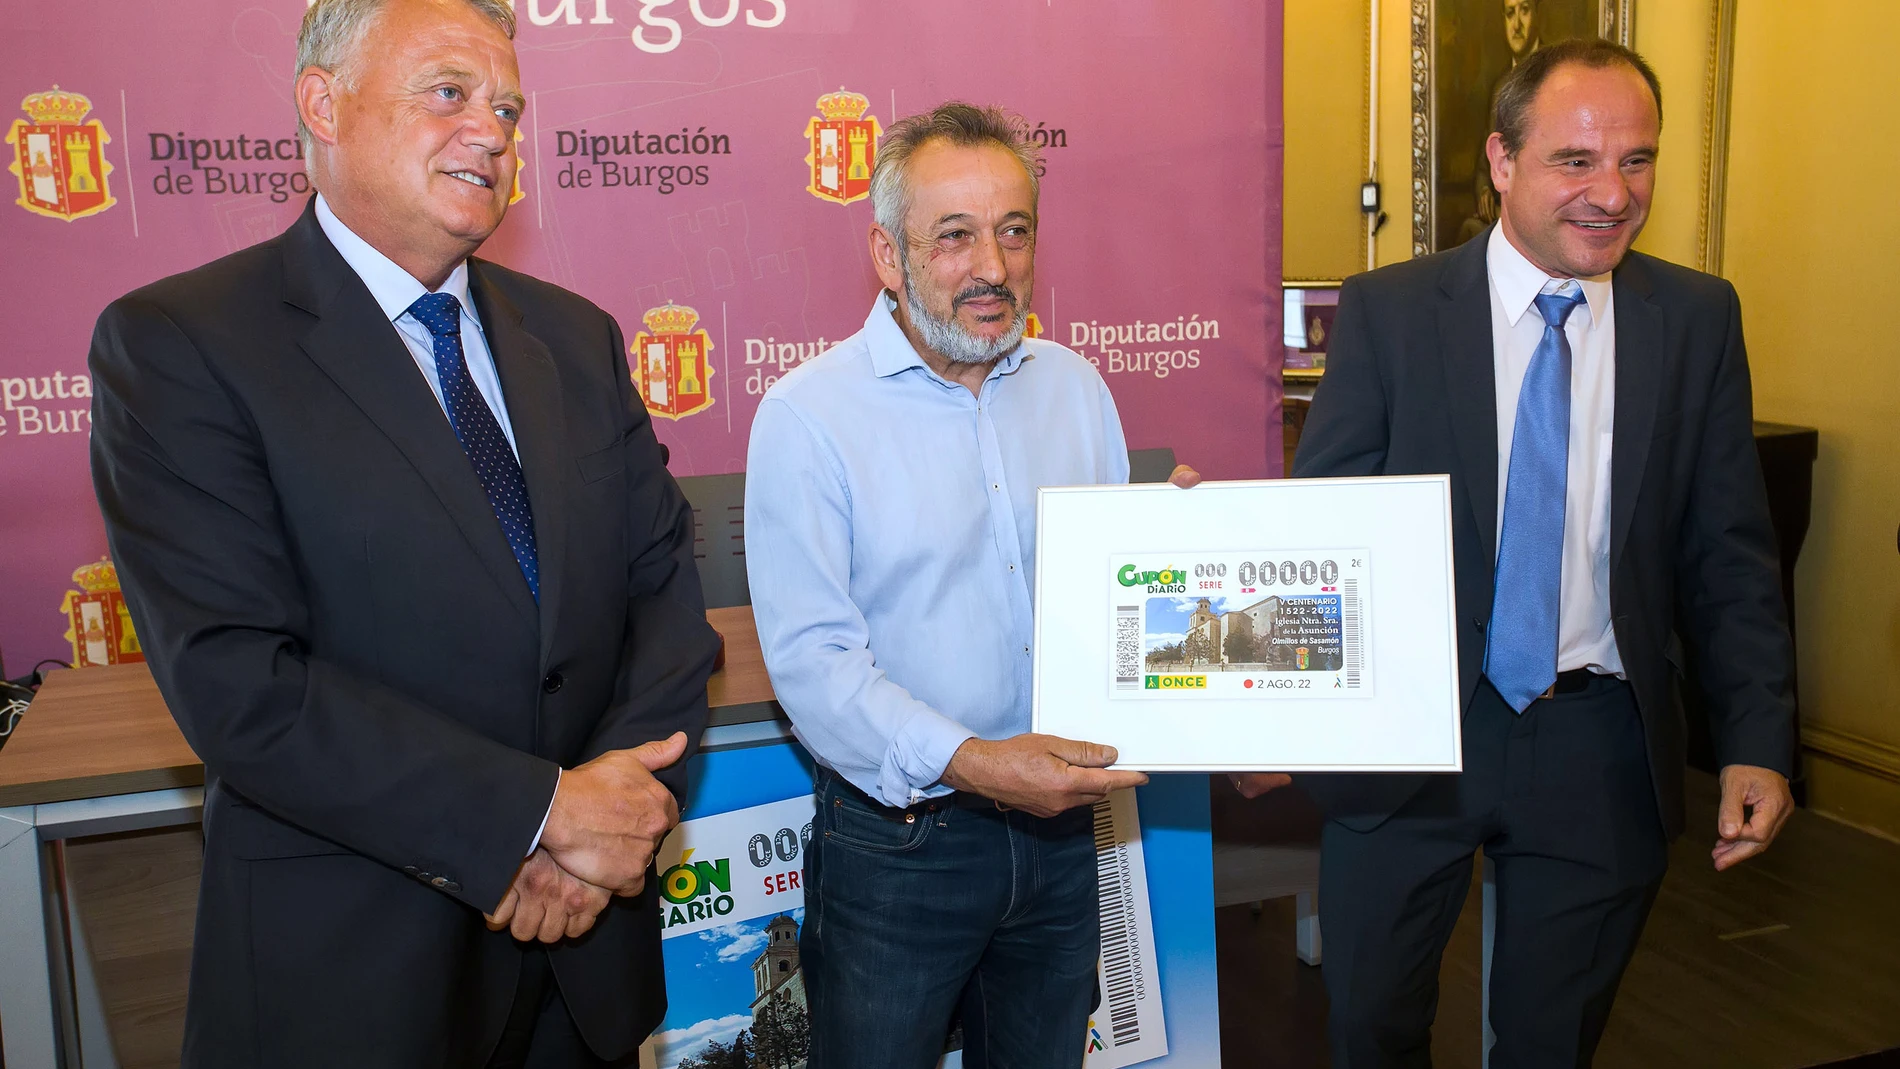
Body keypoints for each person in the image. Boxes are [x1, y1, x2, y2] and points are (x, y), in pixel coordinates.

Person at [87, 0, 718, 1065]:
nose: (492, 130)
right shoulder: (181, 345)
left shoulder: (576, 336)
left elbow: (661, 597)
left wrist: (603, 829)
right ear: (322, 104)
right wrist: (536, 818)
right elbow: (244, 685)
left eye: (508, 108)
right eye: (449, 93)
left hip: (586, 969)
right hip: (356, 980)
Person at [1241, 39, 1796, 1067]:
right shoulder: (1392, 315)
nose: (1611, 192)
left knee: (1552, 1044)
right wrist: (1270, 697)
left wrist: (1756, 737)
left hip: (1597, 741)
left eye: (1636, 161)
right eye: (1574, 160)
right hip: (1412, 738)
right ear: (1501, 161)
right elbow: (1322, 539)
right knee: (1371, 1029)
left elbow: (1729, 551)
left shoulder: (1695, 319)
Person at [744, 103, 1199, 1069]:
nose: (991, 265)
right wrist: (979, 762)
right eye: (953, 236)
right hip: (898, 849)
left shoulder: (1076, 388)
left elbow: (1116, 598)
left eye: (1014, 230)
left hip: (1066, 834)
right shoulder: (808, 416)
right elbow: (817, 666)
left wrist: (1190, 555)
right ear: (886, 252)